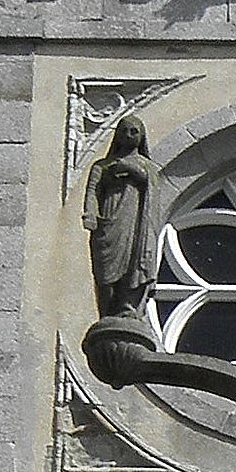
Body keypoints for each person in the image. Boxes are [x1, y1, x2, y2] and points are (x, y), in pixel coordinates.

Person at [83, 115, 156, 322]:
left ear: (141, 137)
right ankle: (107, 311)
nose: (129, 135)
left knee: (133, 263)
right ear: (117, 135)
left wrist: (131, 169)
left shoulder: (147, 166)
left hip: (134, 222)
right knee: (105, 270)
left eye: (134, 131)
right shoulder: (102, 166)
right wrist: (90, 214)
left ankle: (128, 306)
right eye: (124, 131)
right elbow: (92, 192)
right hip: (108, 221)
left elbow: (151, 185)